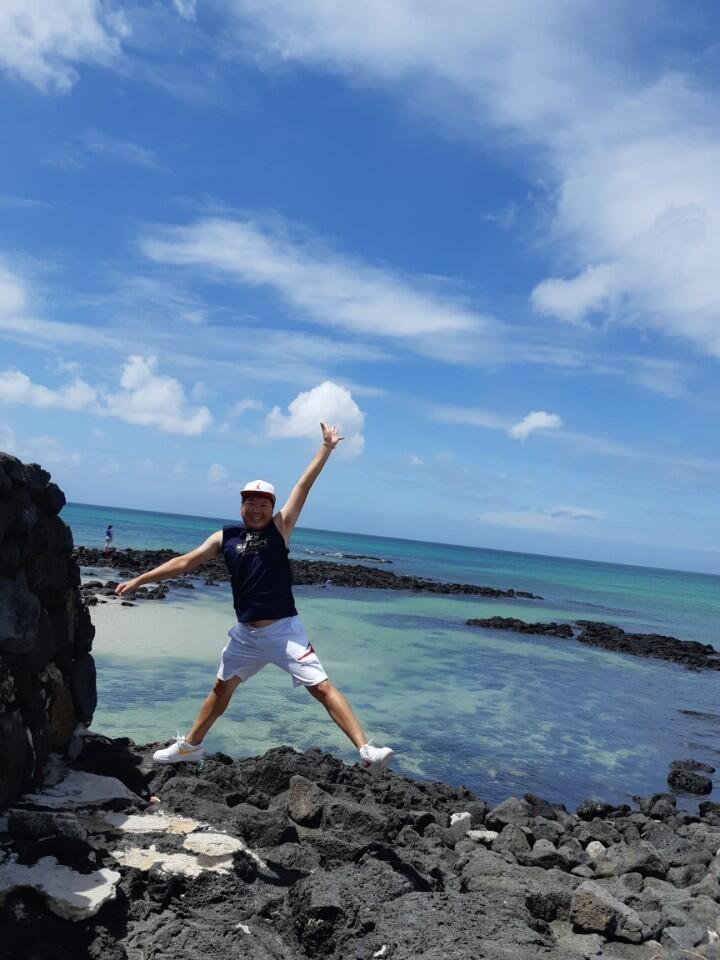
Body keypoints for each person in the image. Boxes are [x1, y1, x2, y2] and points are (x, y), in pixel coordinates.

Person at [115, 422, 394, 776]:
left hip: (284, 631)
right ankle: (191, 747)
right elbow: (185, 562)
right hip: (246, 635)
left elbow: (303, 485)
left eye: (263, 503)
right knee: (220, 689)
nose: (256, 508)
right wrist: (140, 579)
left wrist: (326, 448)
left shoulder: (280, 528)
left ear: (271, 507)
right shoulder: (226, 537)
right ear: (242, 505)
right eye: (250, 502)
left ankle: (367, 750)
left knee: (322, 687)